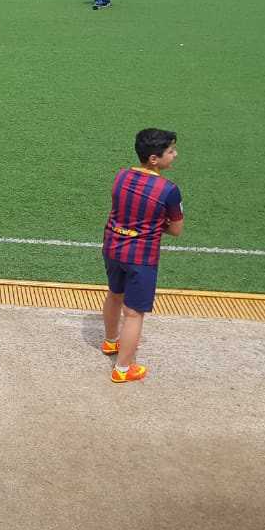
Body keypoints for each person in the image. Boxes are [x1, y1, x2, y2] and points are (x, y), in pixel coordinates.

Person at [101, 129, 184, 383]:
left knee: (114, 294)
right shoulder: (169, 190)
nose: (175, 154)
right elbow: (176, 229)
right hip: (141, 257)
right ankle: (123, 369)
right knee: (134, 313)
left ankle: (110, 341)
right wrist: (156, 224)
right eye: (170, 151)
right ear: (154, 159)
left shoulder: (121, 176)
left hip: (113, 246)